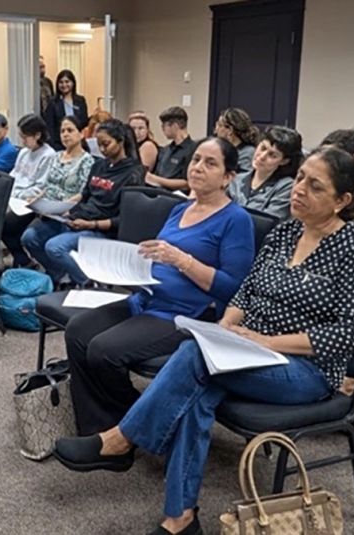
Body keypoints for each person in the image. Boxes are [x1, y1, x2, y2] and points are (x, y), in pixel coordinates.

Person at [52, 147, 354, 535]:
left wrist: (267, 342)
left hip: (306, 370)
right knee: (200, 385)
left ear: (342, 201)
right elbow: (245, 292)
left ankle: (121, 438)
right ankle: (181, 519)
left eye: (315, 186)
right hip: (249, 348)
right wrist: (223, 328)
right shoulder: (285, 232)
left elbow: (351, 333)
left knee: (195, 357)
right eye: (299, 179)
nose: (299, 190)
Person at [63, 137, 256, 435]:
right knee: (77, 331)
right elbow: (161, 255)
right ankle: (104, 424)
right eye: (196, 160)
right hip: (148, 299)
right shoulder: (181, 209)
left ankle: (132, 426)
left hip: (185, 313)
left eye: (210, 163)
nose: (198, 167)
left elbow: (234, 288)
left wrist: (182, 260)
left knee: (103, 350)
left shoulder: (236, 220)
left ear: (228, 177)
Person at [21, 119, 143, 285]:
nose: (102, 149)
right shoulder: (100, 165)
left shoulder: (133, 173)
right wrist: (60, 209)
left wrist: (91, 225)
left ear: (121, 141)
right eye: (98, 144)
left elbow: (124, 220)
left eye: (106, 144)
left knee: (54, 247)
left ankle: (89, 283)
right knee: (30, 238)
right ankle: (60, 276)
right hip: (78, 218)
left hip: (101, 229)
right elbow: (84, 195)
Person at [1, 114, 56, 267]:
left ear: (37, 135)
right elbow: (14, 175)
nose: (22, 141)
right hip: (13, 197)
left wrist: (15, 194)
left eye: (25, 137)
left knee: (3, 223)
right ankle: (17, 260)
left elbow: (40, 187)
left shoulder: (48, 155)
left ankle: (22, 259)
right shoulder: (24, 152)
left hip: (28, 202)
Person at [227, 125, 302, 220]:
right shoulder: (237, 179)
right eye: (262, 148)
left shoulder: (286, 187)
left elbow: (266, 224)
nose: (262, 156)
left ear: (284, 161)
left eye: (272, 155)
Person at [146, 106, 197, 191]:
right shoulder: (165, 150)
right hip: (157, 192)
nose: (162, 129)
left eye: (164, 126)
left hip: (175, 196)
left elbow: (187, 183)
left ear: (175, 126)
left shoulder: (193, 150)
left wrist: (154, 179)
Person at [45, 69, 89, 151]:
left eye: (67, 81)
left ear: (73, 83)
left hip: (78, 144)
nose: (64, 85)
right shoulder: (53, 103)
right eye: (61, 82)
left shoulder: (80, 100)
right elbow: (49, 126)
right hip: (59, 145)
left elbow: (84, 122)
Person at [214, 107, 260, 173]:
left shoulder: (247, 153)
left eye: (219, 125)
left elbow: (243, 179)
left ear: (230, 130)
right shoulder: (223, 149)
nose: (216, 130)